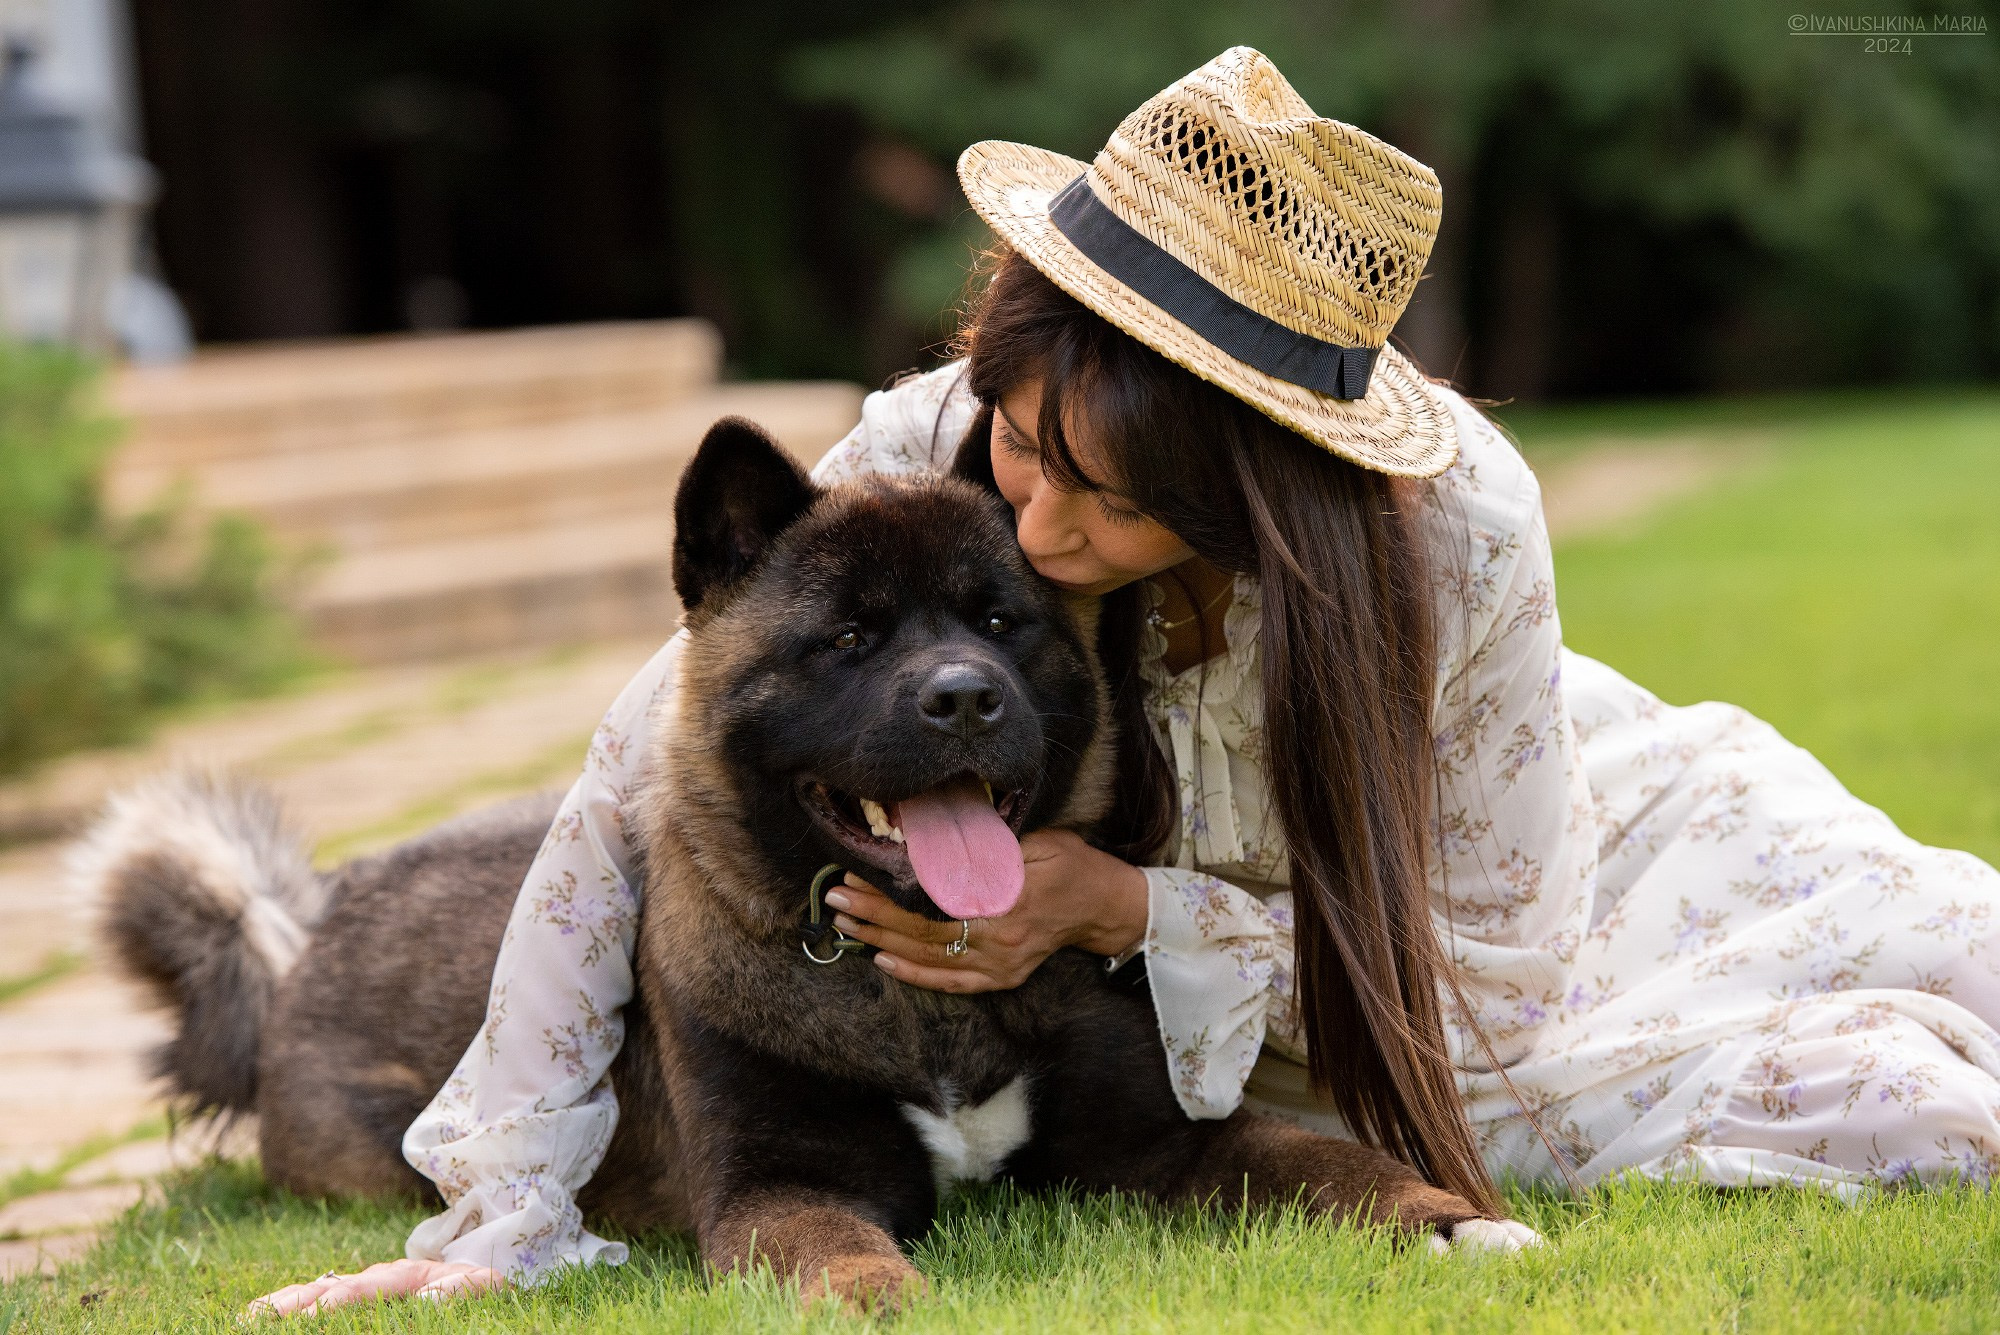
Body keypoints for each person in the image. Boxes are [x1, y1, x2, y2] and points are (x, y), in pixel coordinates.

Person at [247, 47, 2000, 1318]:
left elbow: (1502, 984)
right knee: (1875, 1108)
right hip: (1212, 961)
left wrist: (1123, 912)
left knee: (1917, 990)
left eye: (1112, 494)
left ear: (1262, 489)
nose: (1040, 519)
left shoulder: (1450, 533)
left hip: (1474, 877)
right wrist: (503, 1200)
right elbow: (629, 788)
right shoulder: (938, 451)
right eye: (1024, 452)